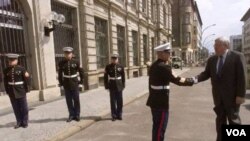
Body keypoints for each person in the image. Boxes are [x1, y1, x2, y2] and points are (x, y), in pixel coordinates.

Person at [192, 37, 246, 141]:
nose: (214, 47)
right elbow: (205, 74)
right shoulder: (212, 59)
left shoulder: (237, 57)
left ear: (225, 46)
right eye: (214, 45)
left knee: (234, 122)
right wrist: (193, 80)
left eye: (217, 45)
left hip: (233, 98)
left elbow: (242, 77)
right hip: (218, 98)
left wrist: (241, 95)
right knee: (220, 122)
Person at [146, 42, 194, 141]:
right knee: (160, 129)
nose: (170, 55)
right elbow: (177, 80)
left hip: (154, 101)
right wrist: (192, 81)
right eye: (168, 53)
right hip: (161, 103)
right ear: (162, 53)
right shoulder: (163, 67)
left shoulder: (155, 65)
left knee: (156, 127)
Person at [3, 53, 30, 129]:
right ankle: (19, 122)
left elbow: (27, 79)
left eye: (13, 60)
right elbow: (5, 81)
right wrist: (7, 91)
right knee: (16, 108)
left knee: (24, 107)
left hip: (21, 90)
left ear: (17, 60)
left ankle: (25, 122)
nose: (11, 61)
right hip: (11, 91)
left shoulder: (21, 69)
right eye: (10, 60)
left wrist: (27, 89)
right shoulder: (6, 70)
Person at [58, 47, 84, 122]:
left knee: (76, 100)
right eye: (66, 53)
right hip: (66, 84)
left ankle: (77, 114)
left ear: (72, 54)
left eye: (69, 53)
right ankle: (71, 115)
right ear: (64, 54)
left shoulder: (76, 62)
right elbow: (60, 74)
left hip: (75, 83)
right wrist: (61, 84)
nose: (67, 55)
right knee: (68, 101)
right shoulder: (61, 63)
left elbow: (81, 72)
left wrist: (81, 82)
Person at [104, 54, 125, 121]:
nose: (114, 60)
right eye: (113, 59)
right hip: (112, 85)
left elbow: (123, 76)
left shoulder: (121, 66)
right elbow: (105, 77)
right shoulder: (108, 67)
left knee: (120, 101)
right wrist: (106, 86)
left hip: (119, 85)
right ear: (111, 59)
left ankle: (119, 114)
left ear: (117, 59)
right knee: (113, 101)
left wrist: (123, 85)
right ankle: (114, 115)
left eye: (115, 59)